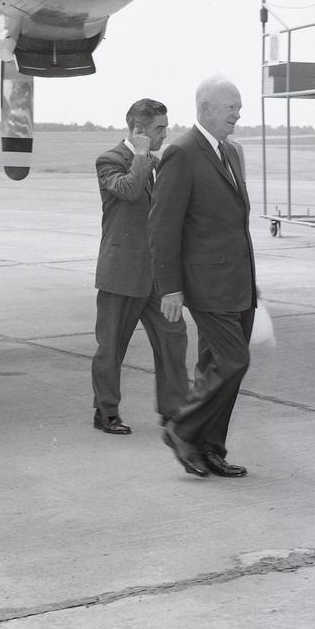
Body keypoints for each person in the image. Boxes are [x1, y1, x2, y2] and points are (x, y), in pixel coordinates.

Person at [151, 76, 255, 479]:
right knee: (233, 360)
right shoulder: (182, 153)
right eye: (232, 107)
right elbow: (162, 227)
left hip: (238, 282)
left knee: (217, 364)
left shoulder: (228, 151)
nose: (238, 114)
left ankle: (210, 447)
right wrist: (171, 287)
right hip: (207, 284)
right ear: (207, 107)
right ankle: (182, 429)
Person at [91, 98, 189, 435]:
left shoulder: (158, 163)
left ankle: (174, 409)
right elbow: (130, 192)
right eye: (159, 129)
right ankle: (106, 412)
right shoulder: (110, 160)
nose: (166, 134)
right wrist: (143, 156)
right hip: (121, 272)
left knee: (173, 337)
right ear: (139, 131)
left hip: (157, 275)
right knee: (111, 348)